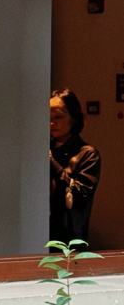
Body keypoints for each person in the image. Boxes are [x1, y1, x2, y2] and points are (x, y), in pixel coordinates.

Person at [50, 88, 101, 244]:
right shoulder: (44, 147)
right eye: (48, 117)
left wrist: (52, 163)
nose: (52, 122)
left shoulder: (88, 154)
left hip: (69, 236)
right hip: (39, 229)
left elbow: (79, 194)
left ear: (73, 118)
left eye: (58, 117)